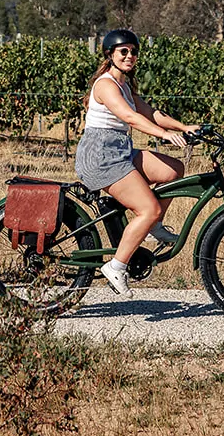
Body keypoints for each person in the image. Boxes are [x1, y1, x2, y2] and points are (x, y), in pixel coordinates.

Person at [74, 28, 198, 296]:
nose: (130, 56)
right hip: (100, 157)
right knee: (149, 207)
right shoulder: (106, 85)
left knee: (174, 169)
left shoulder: (125, 85)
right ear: (110, 55)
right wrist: (165, 135)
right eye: (124, 51)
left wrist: (184, 127)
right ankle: (117, 266)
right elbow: (130, 117)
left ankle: (152, 227)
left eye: (133, 51)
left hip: (120, 150)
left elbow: (151, 113)